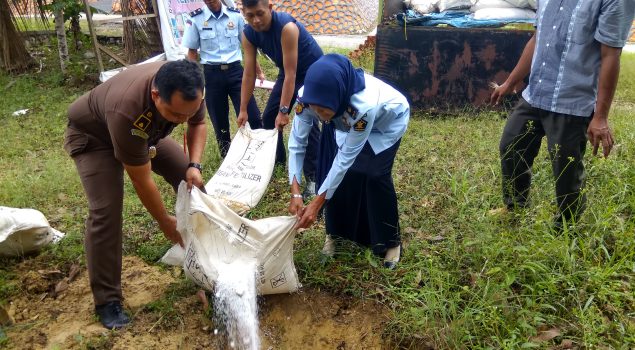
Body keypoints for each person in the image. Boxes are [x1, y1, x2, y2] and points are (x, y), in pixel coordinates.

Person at [64, 60, 208, 329]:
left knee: (193, 185)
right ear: (156, 96)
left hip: (147, 132)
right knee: (105, 211)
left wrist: (194, 166)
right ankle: (107, 300)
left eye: (189, 112)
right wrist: (165, 221)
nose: (184, 120)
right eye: (177, 115)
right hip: (96, 138)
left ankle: (210, 260)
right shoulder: (127, 110)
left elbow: (197, 124)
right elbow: (141, 180)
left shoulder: (187, 88)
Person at [490, 0, 635, 231]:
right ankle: (514, 207)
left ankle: (567, 226)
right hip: (536, 93)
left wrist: (600, 117)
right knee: (511, 145)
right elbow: (538, 39)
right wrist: (510, 81)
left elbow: (610, 55)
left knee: (566, 169)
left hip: (572, 101)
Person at [287, 54, 410, 269]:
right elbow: (297, 143)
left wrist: (317, 204)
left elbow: (344, 160)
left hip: (387, 123)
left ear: (340, 97)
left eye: (324, 111)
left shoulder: (363, 105)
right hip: (345, 124)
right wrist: (295, 190)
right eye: (316, 110)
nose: (321, 117)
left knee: (373, 175)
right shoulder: (306, 99)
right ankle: (336, 235)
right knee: (333, 175)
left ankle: (390, 242)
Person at [238, 0, 322, 197]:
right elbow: (249, 73)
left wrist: (284, 111)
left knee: (307, 122)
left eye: (260, 13)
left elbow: (292, 75)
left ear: (270, 7)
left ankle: (314, 177)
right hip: (288, 71)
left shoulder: (287, 27)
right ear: (243, 13)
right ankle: (277, 161)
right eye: (250, 16)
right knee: (268, 118)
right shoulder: (248, 33)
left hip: (312, 71)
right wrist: (242, 109)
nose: (256, 20)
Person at [182, 0, 262, 158]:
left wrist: (259, 72)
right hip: (212, 75)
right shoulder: (195, 19)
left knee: (252, 114)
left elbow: (247, 47)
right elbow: (192, 52)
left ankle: (258, 152)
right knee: (220, 121)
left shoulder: (235, 16)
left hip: (236, 73)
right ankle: (227, 157)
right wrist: (192, 80)